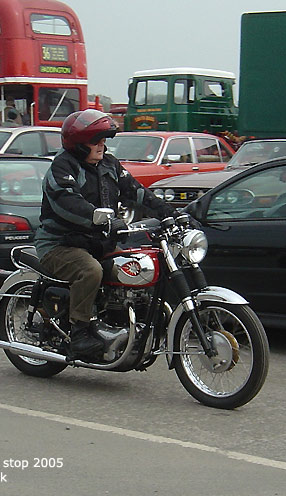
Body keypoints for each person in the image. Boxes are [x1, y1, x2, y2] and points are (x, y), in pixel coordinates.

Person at [35, 109, 176, 358]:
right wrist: (100, 220)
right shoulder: (62, 167)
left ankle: (123, 322)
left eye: (103, 140)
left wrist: (169, 212)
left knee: (136, 267)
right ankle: (79, 334)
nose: (102, 145)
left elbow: (135, 191)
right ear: (79, 144)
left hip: (97, 242)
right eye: (95, 140)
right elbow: (67, 202)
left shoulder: (108, 164)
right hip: (59, 244)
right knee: (90, 271)